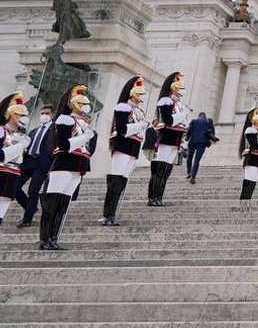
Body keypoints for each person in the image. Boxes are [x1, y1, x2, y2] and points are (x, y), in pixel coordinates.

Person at [40, 84, 97, 250]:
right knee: (52, 201)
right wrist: (84, 137)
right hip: (64, 163)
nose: (86, 107)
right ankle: (45, 238)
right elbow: (64, 144)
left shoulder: (82, 123)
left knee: (63, 203)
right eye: (82, 103)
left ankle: (54, 237)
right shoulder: (65, 119)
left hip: (78, 165)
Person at [102, 77, 148, 226]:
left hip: (134, 148)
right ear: (131, 93)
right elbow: (122, 129)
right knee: (116, 180)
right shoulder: (123, 107)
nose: (140, 97)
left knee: (122, 182)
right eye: (138, 93)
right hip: (123, 146)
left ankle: (113, 214)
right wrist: (140, 125)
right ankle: (107, 214)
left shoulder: (138, 110)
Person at [149, 72, 188, 207]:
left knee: (166, 169)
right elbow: (168, 120)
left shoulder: (179, 103)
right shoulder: (166, 100)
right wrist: (183, 114)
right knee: (160, 167)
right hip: (166, 136)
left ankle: (159, 196)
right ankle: (152, 197)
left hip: (175, 139)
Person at [16, 104, 54, 228]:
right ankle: (30, 208)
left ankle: (27, 219)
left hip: (42, 164)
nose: (44, 116)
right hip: (28, 162)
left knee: (33, 190)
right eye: (42, 113)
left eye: (47, 113)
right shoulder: (34, 130)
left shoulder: (55, 131)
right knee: (15, 187)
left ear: (52, 115)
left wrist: (52, 167)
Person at [0, 93, 30, 228]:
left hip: (12, 174)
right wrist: (20, 146)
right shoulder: (2, 131)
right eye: (20, 115)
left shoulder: (22, 136)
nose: (23, 118)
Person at [239, 108, 258, 200]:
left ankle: (247, 199)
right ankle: (244, 200)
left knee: (254, 181)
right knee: (249, 179)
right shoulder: (250, 130)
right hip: (252, 158)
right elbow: (256, 146)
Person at [185, 111, 216, 183]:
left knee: (189, 157)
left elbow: (189, 130)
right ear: (205, 116)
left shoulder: (194, 121)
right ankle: (193, 177)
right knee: (197, 159)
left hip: (193, 141)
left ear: (199, 116)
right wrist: (212, 140)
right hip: (203, 142)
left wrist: (187, 138)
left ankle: (189, 173)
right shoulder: (209, 122)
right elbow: (212, 133)